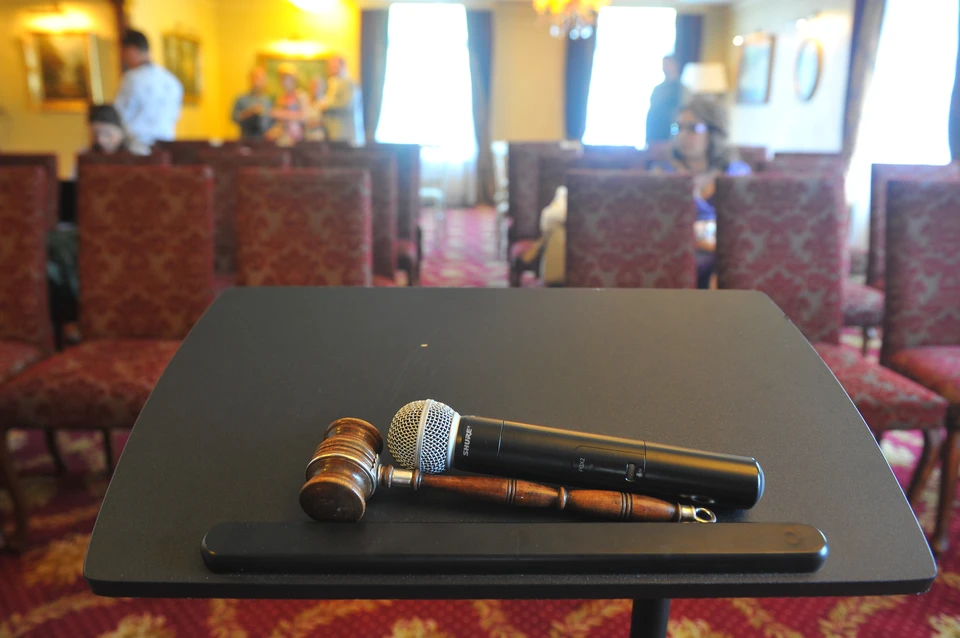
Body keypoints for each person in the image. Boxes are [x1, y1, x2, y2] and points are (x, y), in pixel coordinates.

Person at [651, 95, 751, 288]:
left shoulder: (736, 173)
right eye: (678, 128)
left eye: (693, 128)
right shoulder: (662, 173)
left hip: (724, 258)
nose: (683, 135)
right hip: (674, 256)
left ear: (714, 132)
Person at [114, 29, 183, 147]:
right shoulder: (172, 80)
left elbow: (117, 115)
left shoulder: (132, 78)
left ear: (131, 50)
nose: (122, 58)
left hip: (137, 147)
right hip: (167, 147)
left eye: (122, 52)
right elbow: (176, 116)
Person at [318, 56, 365, 146]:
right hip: (335, 134)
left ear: (343, 66)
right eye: (330, 66)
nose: (332, 69)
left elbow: (347, 104)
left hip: (346, 135)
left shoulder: (348, 83)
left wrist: (326, 106)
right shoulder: (332, 83)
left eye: (335, 66)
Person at [267, 64, 313, 146]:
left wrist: (280, 114)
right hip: (282, 138)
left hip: (299, 140)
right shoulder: (280, 98)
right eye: (281, 79)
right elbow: (277, 121)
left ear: (294, 79)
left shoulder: (301, 95)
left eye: (286, 79)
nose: (284, 82)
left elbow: (304, 116)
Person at [645, 55, 687, 145]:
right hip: (654, 133)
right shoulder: (658, 89)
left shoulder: (682, 89)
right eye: (664, 64)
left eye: (668, 64)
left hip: (671, 136)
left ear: (676, 65)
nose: (665, 68)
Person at [232, 67, 273, 140]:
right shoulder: (242, 99)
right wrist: (250, 112)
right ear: (251, 79)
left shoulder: (269, 100)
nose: (258, 81)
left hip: (265, 140)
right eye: (256, 78)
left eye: (261, 79)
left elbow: (273, 122)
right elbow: (234, 117)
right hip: (246, 139)